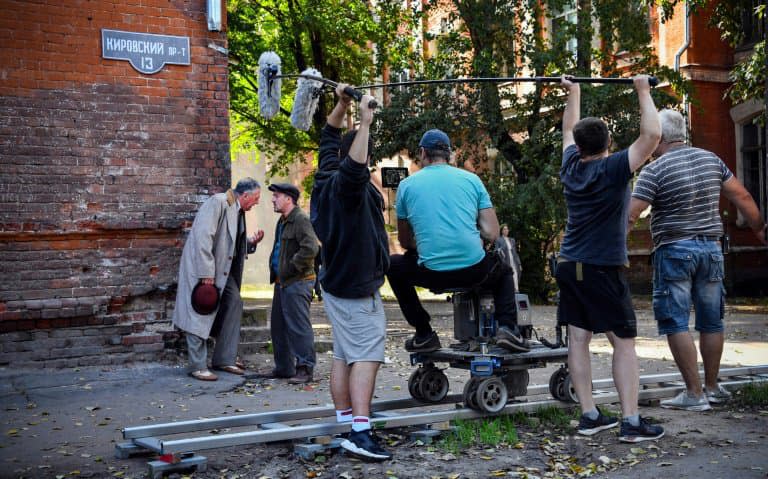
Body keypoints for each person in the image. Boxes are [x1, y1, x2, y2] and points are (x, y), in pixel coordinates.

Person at [628, 109, 768, 411]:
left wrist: (614, 246)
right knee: (711, 321)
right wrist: (758, 230)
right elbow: (741, 197)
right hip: (711, 250)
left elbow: (631, 213)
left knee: (675, 321)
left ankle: (693, 394)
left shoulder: (654, 170)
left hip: (675, 251)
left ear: (660, 137)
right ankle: (713, 387)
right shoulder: (711, 160)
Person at [556, 75, 664, 442]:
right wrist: (643, 90)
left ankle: (590, 416)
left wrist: (574, 93)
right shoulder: (613, 168)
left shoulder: (571, 166)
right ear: (608, 144)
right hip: (602, 268)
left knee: (578, 339)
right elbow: (651, 136)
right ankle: (631, 422)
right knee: (623, 342)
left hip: (570, 265)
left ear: (580, 146)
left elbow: (569, 129)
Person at [387, 129, 528, 354]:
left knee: (393, 266)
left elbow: (405, 242)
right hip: (474, 270)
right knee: (503, 271)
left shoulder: (406, 186)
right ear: (450, 155)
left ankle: (424, 333)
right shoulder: (472, 180)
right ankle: (508, 328)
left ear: (422, 153)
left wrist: (428, 247)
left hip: (431, 273)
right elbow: (492, 233)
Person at [310, 84, 392, 461]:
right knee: (367, 354)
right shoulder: (345, 186)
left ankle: (346, 421)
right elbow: (356, 168)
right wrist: (366, 119)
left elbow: (328, 136)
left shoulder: (324, 174)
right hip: (354, 289)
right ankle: (361, 431)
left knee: (345, 354)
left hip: (337, 284)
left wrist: (341, 105)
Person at [172, 178, 265, 381]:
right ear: (245, 195)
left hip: (222, 271)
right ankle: (197, 365)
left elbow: (229, 242)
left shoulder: (237, 208)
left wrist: (250, 243)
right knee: (200, 311)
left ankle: (224, 358)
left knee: (234, 302)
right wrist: (206, 271)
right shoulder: (219, 202)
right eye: (256, 198)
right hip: (205, 269)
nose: (257, 202)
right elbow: (203, 236)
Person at [264, 183, 320, 385]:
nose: (272, 199)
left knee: (298, 327)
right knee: (278, 327)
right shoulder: (283, 221)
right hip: (282, 283)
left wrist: (291, 268)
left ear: (288, 199)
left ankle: (305, 368)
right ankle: (284, 368)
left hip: (298, 282)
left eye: (276, 196)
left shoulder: (300, 219)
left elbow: (311, 248)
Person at [495, 224, 523, 291]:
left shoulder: (512, 240)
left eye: (507, 229)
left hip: (514, 261)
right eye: (504, 229)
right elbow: (496, 251)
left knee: (515, 275)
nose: (506, 230)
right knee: (508, 276)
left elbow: (515, 253)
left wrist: (519, 264)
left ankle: (516, 291)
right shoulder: (499, 240)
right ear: (502, 231)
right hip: (505, 261)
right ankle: (509, 291)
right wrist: (500, 250)